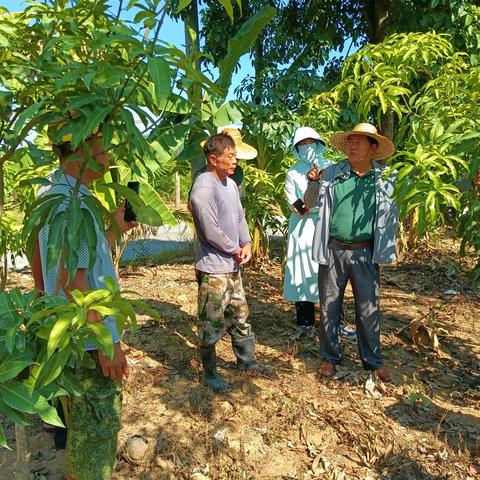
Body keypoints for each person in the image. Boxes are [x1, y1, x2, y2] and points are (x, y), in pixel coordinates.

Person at [31, 128, 137, 480]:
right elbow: (71, 279)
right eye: (101, 149)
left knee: (80, 438)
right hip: (89, 342)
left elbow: (79, 260)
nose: (107, 157)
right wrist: (106, 344)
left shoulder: (61, 193)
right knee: (96, 439)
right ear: (78, 151)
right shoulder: (70, 203)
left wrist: (114, 231)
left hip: (75, 338)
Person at [304, 122, 397, 382]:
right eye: (351, 141)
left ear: (373, 148)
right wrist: (312, 183)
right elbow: (308, 204)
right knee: (329, 307)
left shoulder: (385, 179)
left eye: (360, 142)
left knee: (369, 309)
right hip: (333, 249)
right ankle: (330, 357)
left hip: (364, 253)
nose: (353, 146)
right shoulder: (332, 173)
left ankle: (373, 361)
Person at [189, 132, 271, 392]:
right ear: (214, 159)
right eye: (230, 156)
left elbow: (239, 218)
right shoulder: (203, 188)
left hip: (233, 266)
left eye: (235, 155)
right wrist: (234, 248)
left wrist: (246, 243)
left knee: (240, 316)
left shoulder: (231, 184)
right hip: (214, 269)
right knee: (210, 323)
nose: (235, 161)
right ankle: (210, 374)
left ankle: (247, 362)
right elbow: (211, 231)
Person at [283, 127, 330, 334]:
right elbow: (298, 206)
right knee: (301, 271)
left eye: (310, 143)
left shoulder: (330, 168)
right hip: (301, 228)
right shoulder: (292, 173)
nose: (307, 148)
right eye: (302, 144)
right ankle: (305, 321)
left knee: (328, 272)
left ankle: (333, 320)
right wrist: (312, 192)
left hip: (325, 224)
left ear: (318, 144)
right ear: (296, 148)